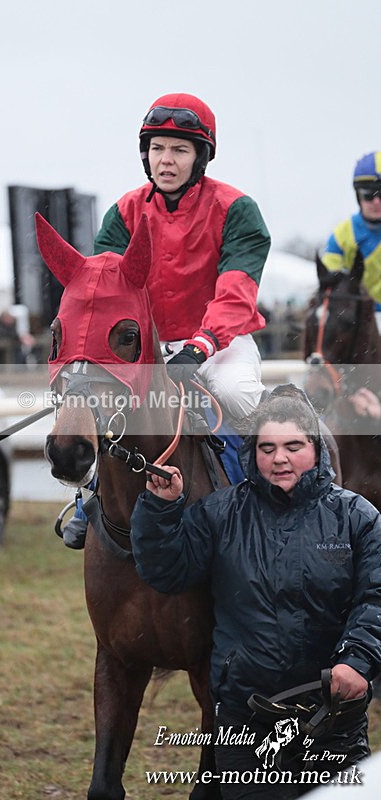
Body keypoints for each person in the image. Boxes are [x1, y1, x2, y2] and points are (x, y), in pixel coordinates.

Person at [130, 385, 381, 799]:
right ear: (252, 452)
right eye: (267, 447)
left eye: (293, 446)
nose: (279, 458)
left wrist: (358, 661)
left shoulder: (357, 517)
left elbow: (375, 597)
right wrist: (160, 510)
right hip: (246, 719)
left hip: (332, 716)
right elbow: (167, 573)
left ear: (315, 448)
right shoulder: (219, 513)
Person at [62, 92, 271, 549]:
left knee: (236, 393)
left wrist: (201, 345)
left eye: (179, 149)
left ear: (201, 157)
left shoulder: (237, 209)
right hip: (148, 350)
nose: (166, 160)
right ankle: (90, 496)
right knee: (103, 403)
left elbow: (236, 291)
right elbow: (104, 295)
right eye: (158, 148)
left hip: (220, 343)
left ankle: (275, 503)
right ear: (145, 154)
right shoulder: (123, 213)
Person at [320, 150, 381, 419]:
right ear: (358, 195)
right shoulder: (341, 235)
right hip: (357, 319)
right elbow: (330, 286)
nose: (376, 200)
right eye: (369, 194)